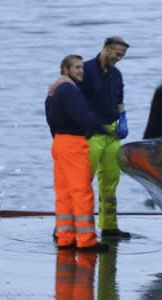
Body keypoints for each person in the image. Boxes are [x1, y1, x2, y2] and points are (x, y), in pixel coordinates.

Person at [45, 54, 108, 252]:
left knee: (64, 193)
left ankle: (65, 237)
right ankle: (86, 240)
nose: (81, 70)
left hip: (58, 143)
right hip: (73, 143)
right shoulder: (70, 91)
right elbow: (82, 116)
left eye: (82, 67)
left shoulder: (53, 90)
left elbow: (50, 118)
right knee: (82, 192)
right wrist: (99, 128)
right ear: (65, 69)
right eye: (77, 67)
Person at [80, 36, 130, 239]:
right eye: (117, 54)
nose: (119, 58)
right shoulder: (86, 70)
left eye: (122, 55)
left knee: (111, 180)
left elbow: (119, 100)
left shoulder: (116, 75)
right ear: (106, 49)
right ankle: (73, 228)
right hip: (91, 134)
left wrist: (123, 119)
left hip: (111, 133)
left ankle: (109, 227)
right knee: (83, 182)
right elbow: (76, 101)